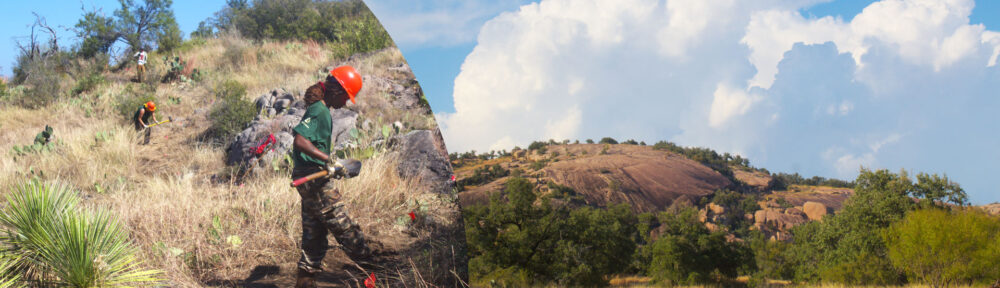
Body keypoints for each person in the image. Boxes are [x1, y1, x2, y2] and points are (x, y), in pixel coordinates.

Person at [291, 66, 377, 288]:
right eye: (346, 97)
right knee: (343, 225)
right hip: (314, 180)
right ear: (337, 91)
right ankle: (375, 272)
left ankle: (305, 282)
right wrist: (328, 161)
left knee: (314, 235)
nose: (346, 103)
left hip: (309, 176)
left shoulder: (321, 109)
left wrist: (329, 163)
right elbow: (300, 140)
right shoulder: (319, 110)